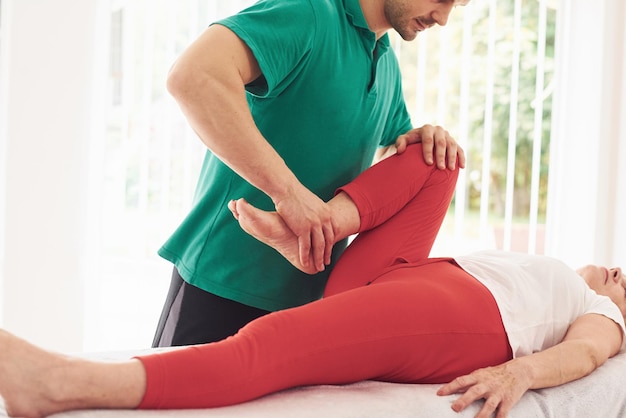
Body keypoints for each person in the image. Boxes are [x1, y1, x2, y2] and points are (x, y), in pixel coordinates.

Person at [0, 144, 623, 418]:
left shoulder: (603, 313)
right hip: (410, 281)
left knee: (267, 348)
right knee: (439, 160)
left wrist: (522, 374)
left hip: (458, 317)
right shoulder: (566, 277)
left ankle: (59, 385)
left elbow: (589, 350)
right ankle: (312, 229)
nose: (621, 273)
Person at [152, 0, 469, 347]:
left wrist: (424, 142)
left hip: (305, 306)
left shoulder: (385, 62)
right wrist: (288, 193)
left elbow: (393, 161)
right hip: (221, 285)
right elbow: (193, 76)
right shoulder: (309, 13)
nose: (443, 18)